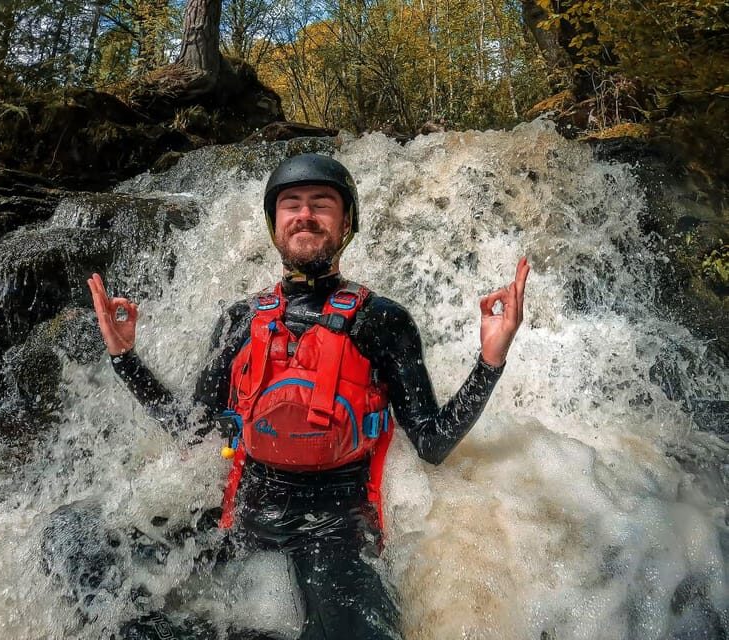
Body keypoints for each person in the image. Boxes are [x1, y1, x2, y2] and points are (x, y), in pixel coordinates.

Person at [86, 153, 530, 640]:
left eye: (321, 204)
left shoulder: (382, 320)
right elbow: (192, 429)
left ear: (346, 224)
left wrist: (491, 359)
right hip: (247, 520)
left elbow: (433, 443)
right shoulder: (241, 320)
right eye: (291, 204)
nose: (304, 214)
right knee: (85, 559)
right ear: (275, 223)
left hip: (337, 530)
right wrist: (125, 357)